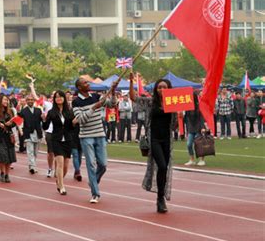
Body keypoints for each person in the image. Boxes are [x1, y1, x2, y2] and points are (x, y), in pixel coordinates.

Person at [129, 73, 177, 213]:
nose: (161, 90)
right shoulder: (150, 102)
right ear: (156, 89)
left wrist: (179, 115)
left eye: (164, 87)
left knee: (164, 168)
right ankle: (160, 198)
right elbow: (134, 98)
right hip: (154, 138)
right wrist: (131, 82)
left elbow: (174, 126)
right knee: (161, 165)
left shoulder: (174, 102)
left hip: (167, 139)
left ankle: (160, 197)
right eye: (159, 87)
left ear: (169, 89)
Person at [72, 77, 118, 204]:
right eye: (85, 83)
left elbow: (112, 104)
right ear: (80, 87)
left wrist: (113, 92)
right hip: (86, 136)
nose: (88, 84)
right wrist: (93, 108)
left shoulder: (96, 97)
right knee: (91, 165)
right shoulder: (76, 103)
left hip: (100, 134)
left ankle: (94, 180)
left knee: (103, 164)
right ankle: (95, 193)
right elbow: (80, 120)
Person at [42, 91, 76, 195]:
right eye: (56, 97)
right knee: (60, 163)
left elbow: (71, 127)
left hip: (68, 140)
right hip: (56, 140)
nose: (58, 98)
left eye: (60, 96)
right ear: (54, 100)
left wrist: (75, 123)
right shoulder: (51, 112)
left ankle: (59, 180)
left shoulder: (69, 112)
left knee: (66, 166)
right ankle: (62, 186)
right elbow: (45, 127)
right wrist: (43, 119)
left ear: (64, 98)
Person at [0, 94, 17, 183]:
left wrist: (10, 123)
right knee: (2, 156)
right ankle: (2, 172)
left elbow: (15, 122)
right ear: (0, 100)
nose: (6, 101)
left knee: (9, 156)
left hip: (9, 136)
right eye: (4, 100)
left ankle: (7, 174)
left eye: (7, 100)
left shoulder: (10, 111)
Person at [18, 94, 43, 174]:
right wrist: (21, 131)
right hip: (28, 133)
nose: (30, 101)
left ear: (34, 101)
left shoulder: (38, 110)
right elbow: (20, 122)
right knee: (30, 151)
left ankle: (32, 165)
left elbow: (42, 122)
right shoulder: (23, 111)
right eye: (28, 100)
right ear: (26, 101)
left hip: (37, 133)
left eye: (31, 100)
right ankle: (33, 166)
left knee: (35, 152)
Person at [184, 92, 206, 166]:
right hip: (191, 128)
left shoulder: (199, 106)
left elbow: (201, 118)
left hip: (199, 128)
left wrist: (202, 127)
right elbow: (186, 118)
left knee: (199, 144)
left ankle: (202, 160)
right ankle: (192, 159)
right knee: (189, 144)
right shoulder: (187, 107)